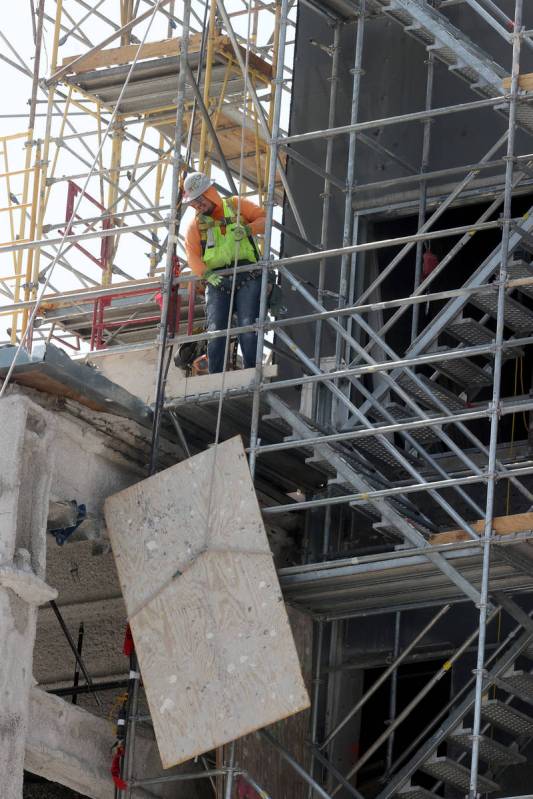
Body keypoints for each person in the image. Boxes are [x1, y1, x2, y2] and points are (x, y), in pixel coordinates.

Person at [183, 172, 266, 374]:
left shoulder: (236, 205)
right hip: (218, 279)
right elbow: (192, 256)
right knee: (216, 330)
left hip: (248, 275)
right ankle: (215, 375)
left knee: (247, 325)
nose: (198, 207)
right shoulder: (196, 226)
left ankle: (251, 372)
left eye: (200, 201)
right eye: (194, 204)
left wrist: (249, 229)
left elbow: (266, 218)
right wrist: (207, 275)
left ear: (210, 194)